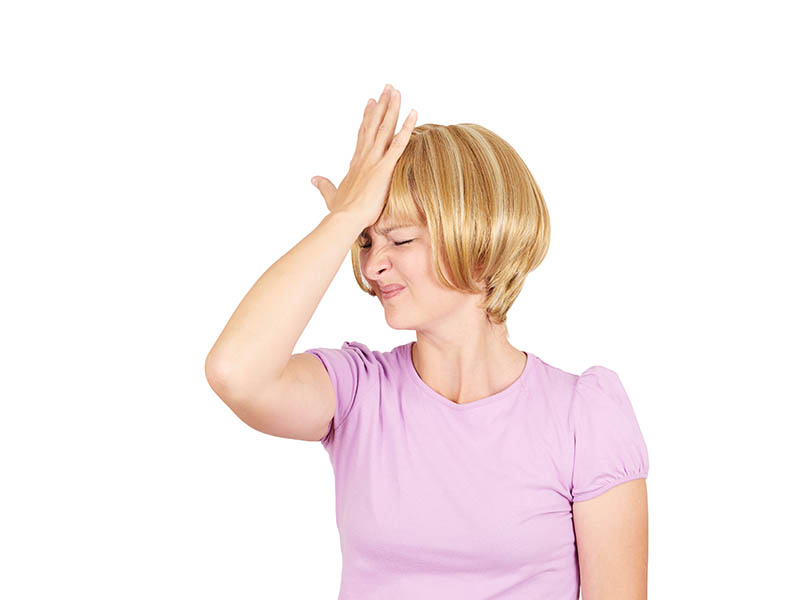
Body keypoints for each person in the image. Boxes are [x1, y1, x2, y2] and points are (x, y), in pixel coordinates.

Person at [205, 83, 649, 599]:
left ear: (478, 237)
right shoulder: (357, 393)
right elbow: (235, 372)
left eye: (400, 238)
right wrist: (343, 219)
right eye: (365, 242)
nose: (373, 265)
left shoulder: (583, 416)